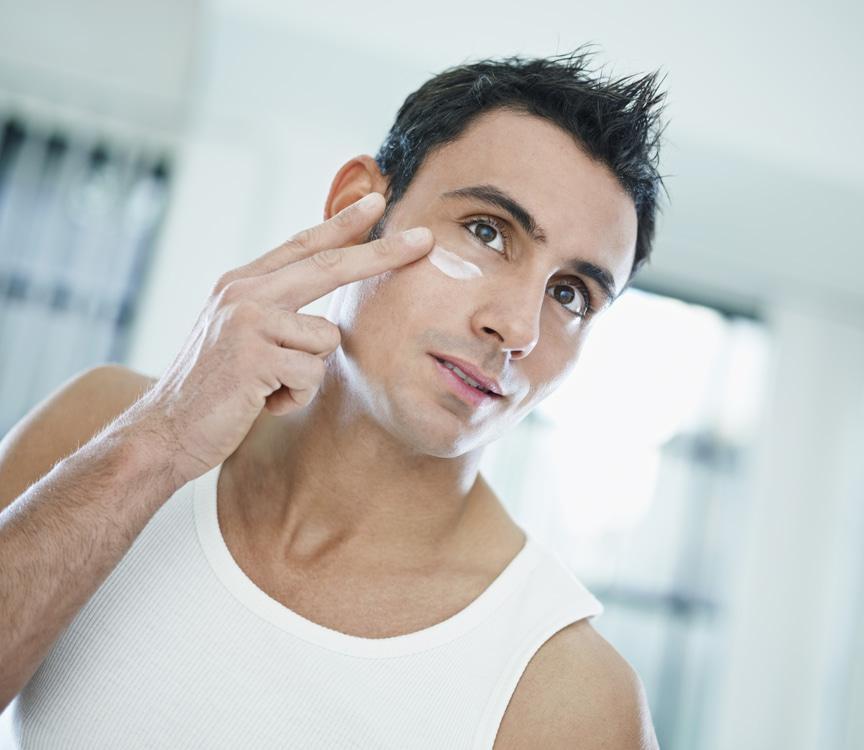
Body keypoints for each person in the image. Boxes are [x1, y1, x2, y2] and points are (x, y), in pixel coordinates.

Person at [0, 47, 666, 748]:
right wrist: (162, 443)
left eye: (571, 294)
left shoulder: (568, 692)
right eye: (487, 231)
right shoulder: (101, 428)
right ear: (358, 207)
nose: (518, 328)